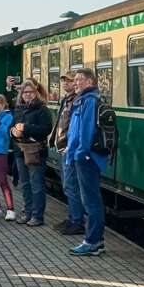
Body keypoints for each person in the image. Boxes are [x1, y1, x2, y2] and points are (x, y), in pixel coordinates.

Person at [65, 69, 108, 256]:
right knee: (90, 200)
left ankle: (93, 241)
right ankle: (94, 240)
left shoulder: (89, 101)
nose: (75, 83)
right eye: (74, 80)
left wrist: (80, 153)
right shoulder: (83, 100)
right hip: (82, 156)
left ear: (90, 81)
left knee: (91, 201)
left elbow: (86, 130)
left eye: (79, 79)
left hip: (86, 158)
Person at [11, 80, 54, 226]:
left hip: (36, 152)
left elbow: (46, 129)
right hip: (20, 150)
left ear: (36, 93)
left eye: (30, 92)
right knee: (25, 184)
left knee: (36, 185)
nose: (27, 95)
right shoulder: (18, 109)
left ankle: (37, 216)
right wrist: (13, 132)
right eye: (25, 92)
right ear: (21, 94)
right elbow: (11, 128)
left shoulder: (42, 110)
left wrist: (26, 127)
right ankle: (27, 213)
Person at [53, 73, 84, 236]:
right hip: (63, 147)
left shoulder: (77, 101)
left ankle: (77, 221)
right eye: (64, 80)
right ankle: (72, 218)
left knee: (71, 185)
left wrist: (69, 147)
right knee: (67, 185)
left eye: (69, 80)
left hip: (68, 148)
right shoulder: (67, 99)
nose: (65, 83)